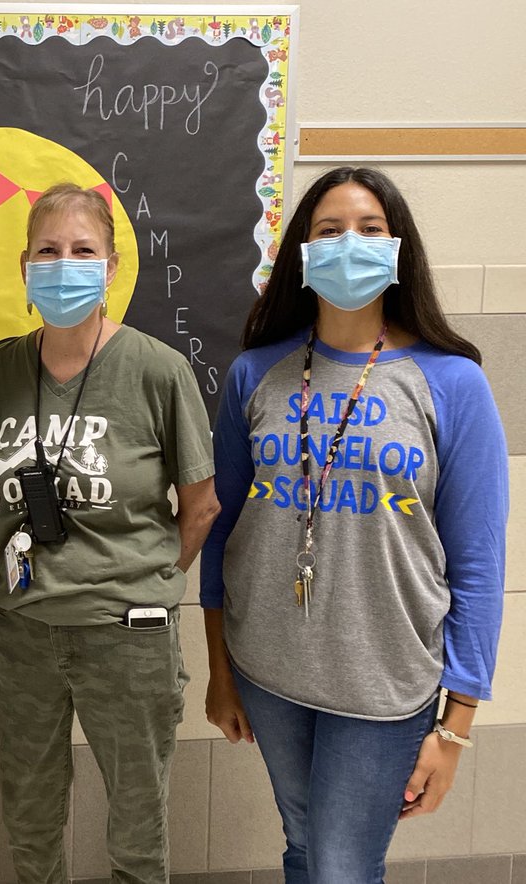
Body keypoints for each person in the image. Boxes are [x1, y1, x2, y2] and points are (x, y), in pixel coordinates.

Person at [200, 167, 509, 883]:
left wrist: (455, 728)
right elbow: (220, 533)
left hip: (386, 684)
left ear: (398, 249)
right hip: (269, 669)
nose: (349, 244)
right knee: (305, 845)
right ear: (302, 255)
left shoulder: (452, 381)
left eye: (370, 230)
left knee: (343, 866)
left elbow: (479, 561)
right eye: (329, 230)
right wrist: (220, 670)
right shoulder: (255, 374)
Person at [0, 183, 221, 884]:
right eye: (48, 250)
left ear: (110, 268)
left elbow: (200, 506)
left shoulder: (159, 371)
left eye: (82, 250)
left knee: (138, 827)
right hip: (23, 635)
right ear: (24, 267)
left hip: (127, 635)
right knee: (31, 817)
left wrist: (149, 575)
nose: (65, 263)